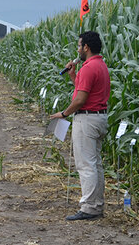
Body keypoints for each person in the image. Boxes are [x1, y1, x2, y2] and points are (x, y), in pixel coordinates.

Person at [50, 31, 110, 221]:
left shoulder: (89, 67)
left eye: (78, 46)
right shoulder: (100, 66)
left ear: (86, 47)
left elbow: (80, 100)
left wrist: (64, 114)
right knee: (95, 164)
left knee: (86, 165)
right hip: (99, 118)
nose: (77, 50)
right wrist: (73, 76)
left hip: (87, 120)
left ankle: (89, 208)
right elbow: (85, 91)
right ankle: (97, 204)